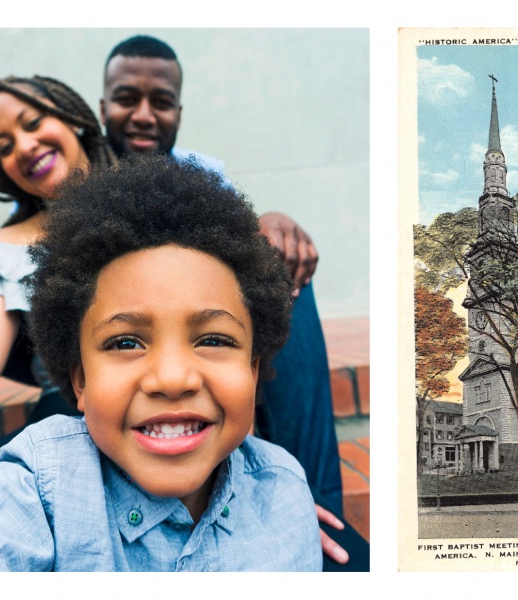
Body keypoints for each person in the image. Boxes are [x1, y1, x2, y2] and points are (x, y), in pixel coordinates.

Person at [0, 155, 322, 571]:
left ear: (253, 372)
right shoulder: (36, 487)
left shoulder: (284, 494)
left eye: (214, 339)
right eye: (125, 342)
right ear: (80, 381)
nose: (171, 378)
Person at [100, 35, 356, 564]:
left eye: (162, 102)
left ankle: (318, 507)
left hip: (202, 331)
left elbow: (243, 242)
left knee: (282, 272)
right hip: (127, 343)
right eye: (127, 98)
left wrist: (273, 223)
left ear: (179, 111)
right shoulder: (84, 175)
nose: (145, 114)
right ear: (104, 106)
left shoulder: (203, 174)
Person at [0, 76, 116, 450]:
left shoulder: (161, 194)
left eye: (32, 123)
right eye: (5, 147)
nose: (24, 146)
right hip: (67, 444)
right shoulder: (1, 255)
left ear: (71, 117)